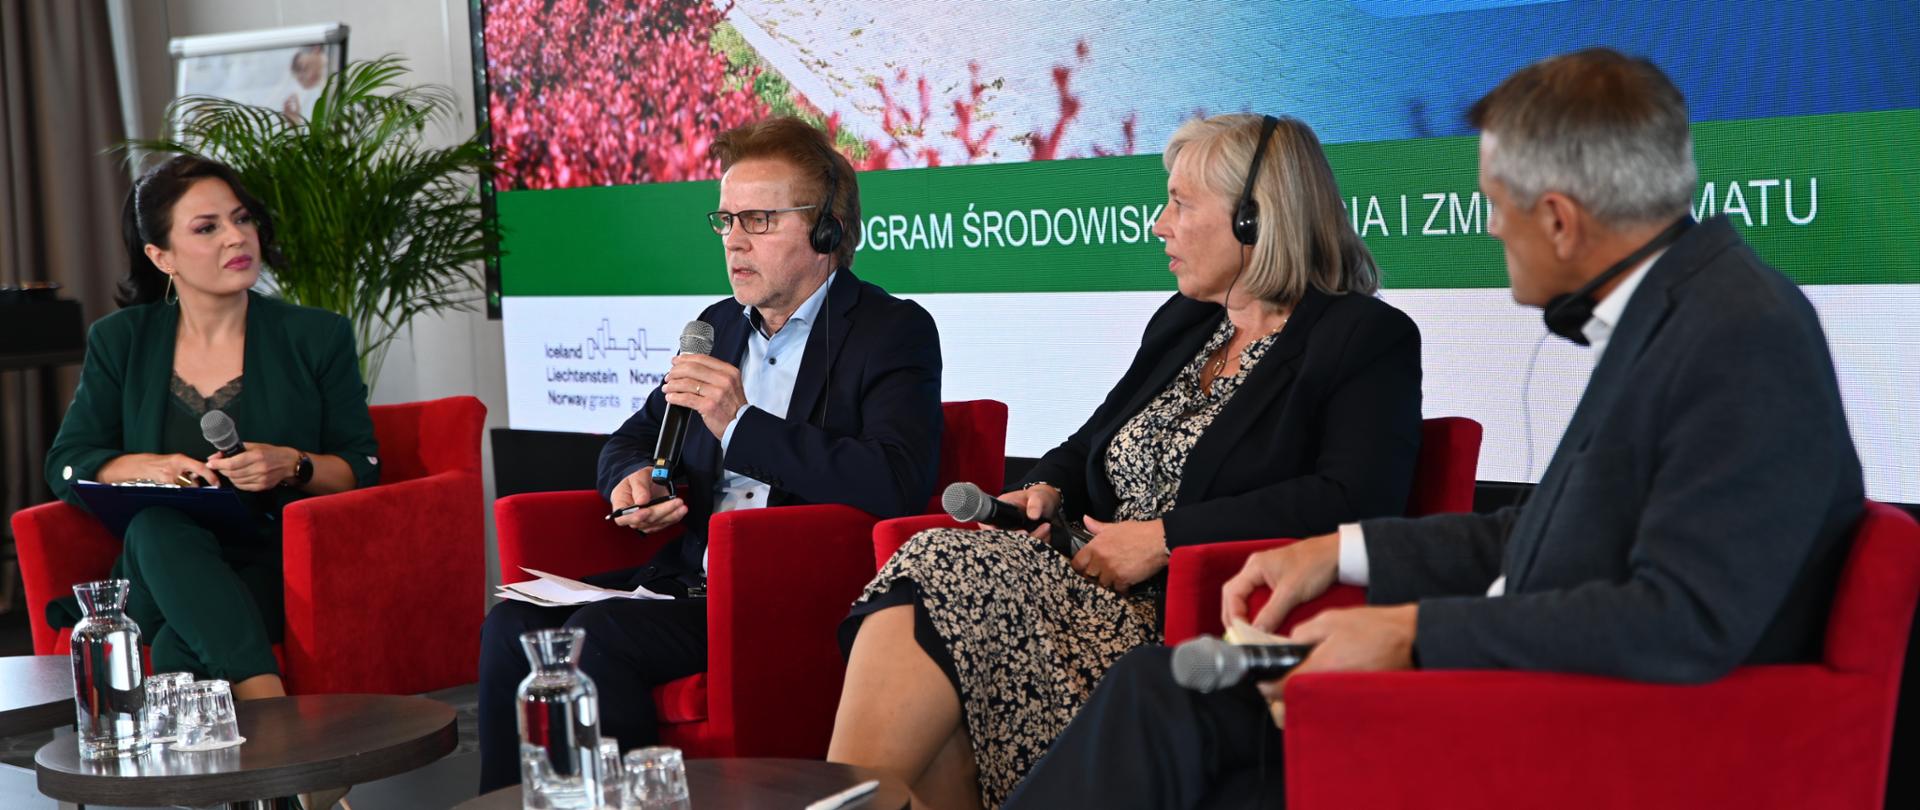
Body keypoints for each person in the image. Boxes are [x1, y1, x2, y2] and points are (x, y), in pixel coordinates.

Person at [1002, 48, 1866, 810]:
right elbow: (1544, 537)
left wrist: (1412, 634)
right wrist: (1340, 555)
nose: (1488, 228)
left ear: (1558, 218)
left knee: (1168, 702)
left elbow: (1682, 620)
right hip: (1530, 693)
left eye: (1494, 204)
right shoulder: (1678, 315)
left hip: (1592, 735)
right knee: (1166, 694)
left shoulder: (1737, 334)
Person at [829, 114, 1425, 809]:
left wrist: (1167, 538)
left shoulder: (1363, 337)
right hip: (1080, 587)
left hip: (1180, 624)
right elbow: (1091, 444)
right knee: (938, 587)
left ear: (1255, 219)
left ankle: (839, 799)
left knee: (940, 568)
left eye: (1180, 204)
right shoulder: (1186, 322)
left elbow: (1351, 500)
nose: (1158, 226)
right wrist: (1044, 487)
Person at [474, 116, 945, 792]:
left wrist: (740, 423)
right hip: (686, 582)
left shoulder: (891, 330)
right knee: (512, 625)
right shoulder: (718, 326)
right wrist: (632, 479)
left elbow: (894, 481)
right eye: (726, 220)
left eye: (758, 220)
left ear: (827, 232)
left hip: (787, 596)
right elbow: (633, 437)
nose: (734, 241)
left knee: (599, 635)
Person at [43, 154, 381, 702]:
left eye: (241, 218)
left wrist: (292, 464)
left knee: (179, 644)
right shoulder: (121, 340)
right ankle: (275, 716)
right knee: (155, 526)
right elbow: (66, 462)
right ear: (161, 256)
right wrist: (143, 467)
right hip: (157, 562)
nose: (236, 237)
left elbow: (360, 469)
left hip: (274, 563)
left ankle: (241, 752)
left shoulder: (317, 336)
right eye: (207, 227)